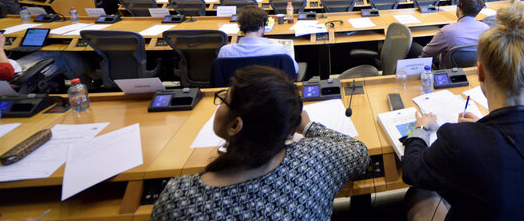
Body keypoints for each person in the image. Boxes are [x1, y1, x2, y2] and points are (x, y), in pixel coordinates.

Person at [402, 3, 524, 221]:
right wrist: (481, 128)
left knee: (418, 194)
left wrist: (420, 129)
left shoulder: (459, 140)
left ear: (479, 72)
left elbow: (412, 171)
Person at [151, 66, 369, 221]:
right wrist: (307, 126)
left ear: (235, 126)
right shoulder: (313, 159)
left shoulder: (180, 199)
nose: (220, 105)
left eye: (224, 100)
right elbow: (359, 153)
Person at [0, 9, 93, 81]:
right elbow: (6, 73)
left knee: (50, 51)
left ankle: (90, 78)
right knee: (62, 54)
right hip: (11, 77)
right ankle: (88, 85)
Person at [218, 6, 299, 73]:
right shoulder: (278, 49)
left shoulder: (225, 51)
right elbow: (294, 70)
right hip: (272, 91)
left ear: (240, 26)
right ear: (262, 25)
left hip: (238, 91)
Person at [421, 0, 489, 68]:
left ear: (458, 7)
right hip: (473, 71)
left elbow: (426, 53)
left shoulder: (447, 31)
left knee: (414, 46)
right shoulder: (486, 29)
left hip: (449, 73)